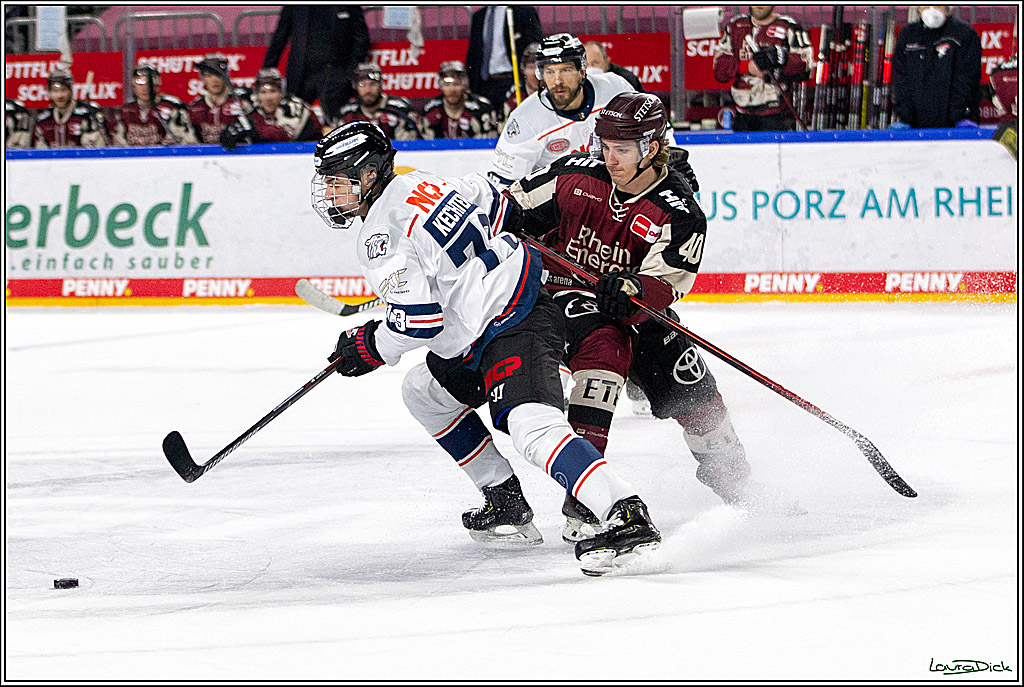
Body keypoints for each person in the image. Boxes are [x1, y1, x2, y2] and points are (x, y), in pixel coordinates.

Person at [310, 120, 662, 576]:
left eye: (339, 181)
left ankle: (625, 512)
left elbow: (418, 322)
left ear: (371, 174)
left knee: (530, 426)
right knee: (424, 392)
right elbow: (492, 196)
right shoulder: (423, 181)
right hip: (492, 313)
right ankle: (505, 501)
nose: (331, 193)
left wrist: (369, 345)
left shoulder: (380, 237)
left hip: (514, 318)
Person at [502, 93, 796, 540]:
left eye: (622, 149)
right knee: (603, 350)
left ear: (652, 148)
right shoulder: (571, 177)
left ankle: (732, 477)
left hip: (629, 307)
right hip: (557, 299)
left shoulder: (678, 211)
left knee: (691, 381)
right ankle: (585, 498)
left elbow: (665, 284)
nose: (609, 158)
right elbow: (507, 209)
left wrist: (634, 288)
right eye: (604, 146)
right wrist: (504, 219)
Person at [488, 33, 635, 187]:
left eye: (566, 70)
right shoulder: (524, 119)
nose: (557, 81)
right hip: (558, 203)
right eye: (550, 72)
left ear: (582, 70)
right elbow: (504, 185)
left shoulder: (616, 89)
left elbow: (648, 139)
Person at [261, 5, 370, 123]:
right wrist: (266, 71)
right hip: (302, 76)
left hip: (337, 75)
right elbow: (280, 35)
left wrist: (350, 73)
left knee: (338, 124)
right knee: (294, 122)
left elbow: (361, 38)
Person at [712, 6, 812, 131]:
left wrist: (781, 57)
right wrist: (746, 67)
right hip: (742, 114)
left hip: (777, 115)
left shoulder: (789, 27)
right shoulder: (735, 26)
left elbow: (806, 66)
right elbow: (720, 70)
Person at [890, 6, 982, 128]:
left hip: (956, 124)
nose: (931, 9)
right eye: (926, 5)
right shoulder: (907, 35)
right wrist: (905, 117)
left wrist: (961, 115)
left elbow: (967, 79)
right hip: (915, 125)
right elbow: (901, 79)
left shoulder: (964, 34)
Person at [220, 67, 322, 150]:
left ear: (282, 93)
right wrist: (230, 135)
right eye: (263, 92)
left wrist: (255, 131)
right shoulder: (250, 107)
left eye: (273, 91)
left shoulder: (294, 107)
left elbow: (283, 138)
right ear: (257, 95)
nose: (268, 98)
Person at [466, 5, 543, 111]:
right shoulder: (478, 16)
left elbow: (534, 47)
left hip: (512, 80)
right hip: (484, 83)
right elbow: (473, 53)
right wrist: (471, 84)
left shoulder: (524, 11)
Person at [107, 63, 197, 146]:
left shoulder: (171, 108)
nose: (146, 88)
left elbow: (183, 141)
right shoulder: (126, 111)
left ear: (158, 85)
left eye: (150, 82)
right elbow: (118, 143)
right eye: (140, 83)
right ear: (133, 85)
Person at [333, 63, 419, 140]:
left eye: (373, 84)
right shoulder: (348, 113)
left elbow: (408, 146)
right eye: (362, 84)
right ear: (355, 87)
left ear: (381, 85)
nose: (368, 90)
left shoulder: (398, 109)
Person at [419, 61, 498, 139]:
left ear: (465, 84)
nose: (452, 89)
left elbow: (491, 139)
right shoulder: (431, 109)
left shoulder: (482, 107)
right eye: (447, 85)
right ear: (440, 86)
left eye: (456, 84)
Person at [32, 67, 107, 148]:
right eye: (55, 91)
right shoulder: (43, 119)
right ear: (49, 92)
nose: (60, 95)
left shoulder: (88, 113)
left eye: (63, 90)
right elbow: (39, 151)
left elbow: (98, 149)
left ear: (71, 90)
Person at [187, 54, 253, 144]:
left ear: (226, 76)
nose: (214, 80)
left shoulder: (241, 102)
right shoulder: (195, 108)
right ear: (202, 78)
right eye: (209, 75)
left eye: (218, 75)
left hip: (238, 155)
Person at [499, 41, 541, 133]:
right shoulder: (513, 96)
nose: (535, 74)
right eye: (531, 67)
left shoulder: (556, 94)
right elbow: (504, 132)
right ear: (523, 69)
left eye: (540, 68)